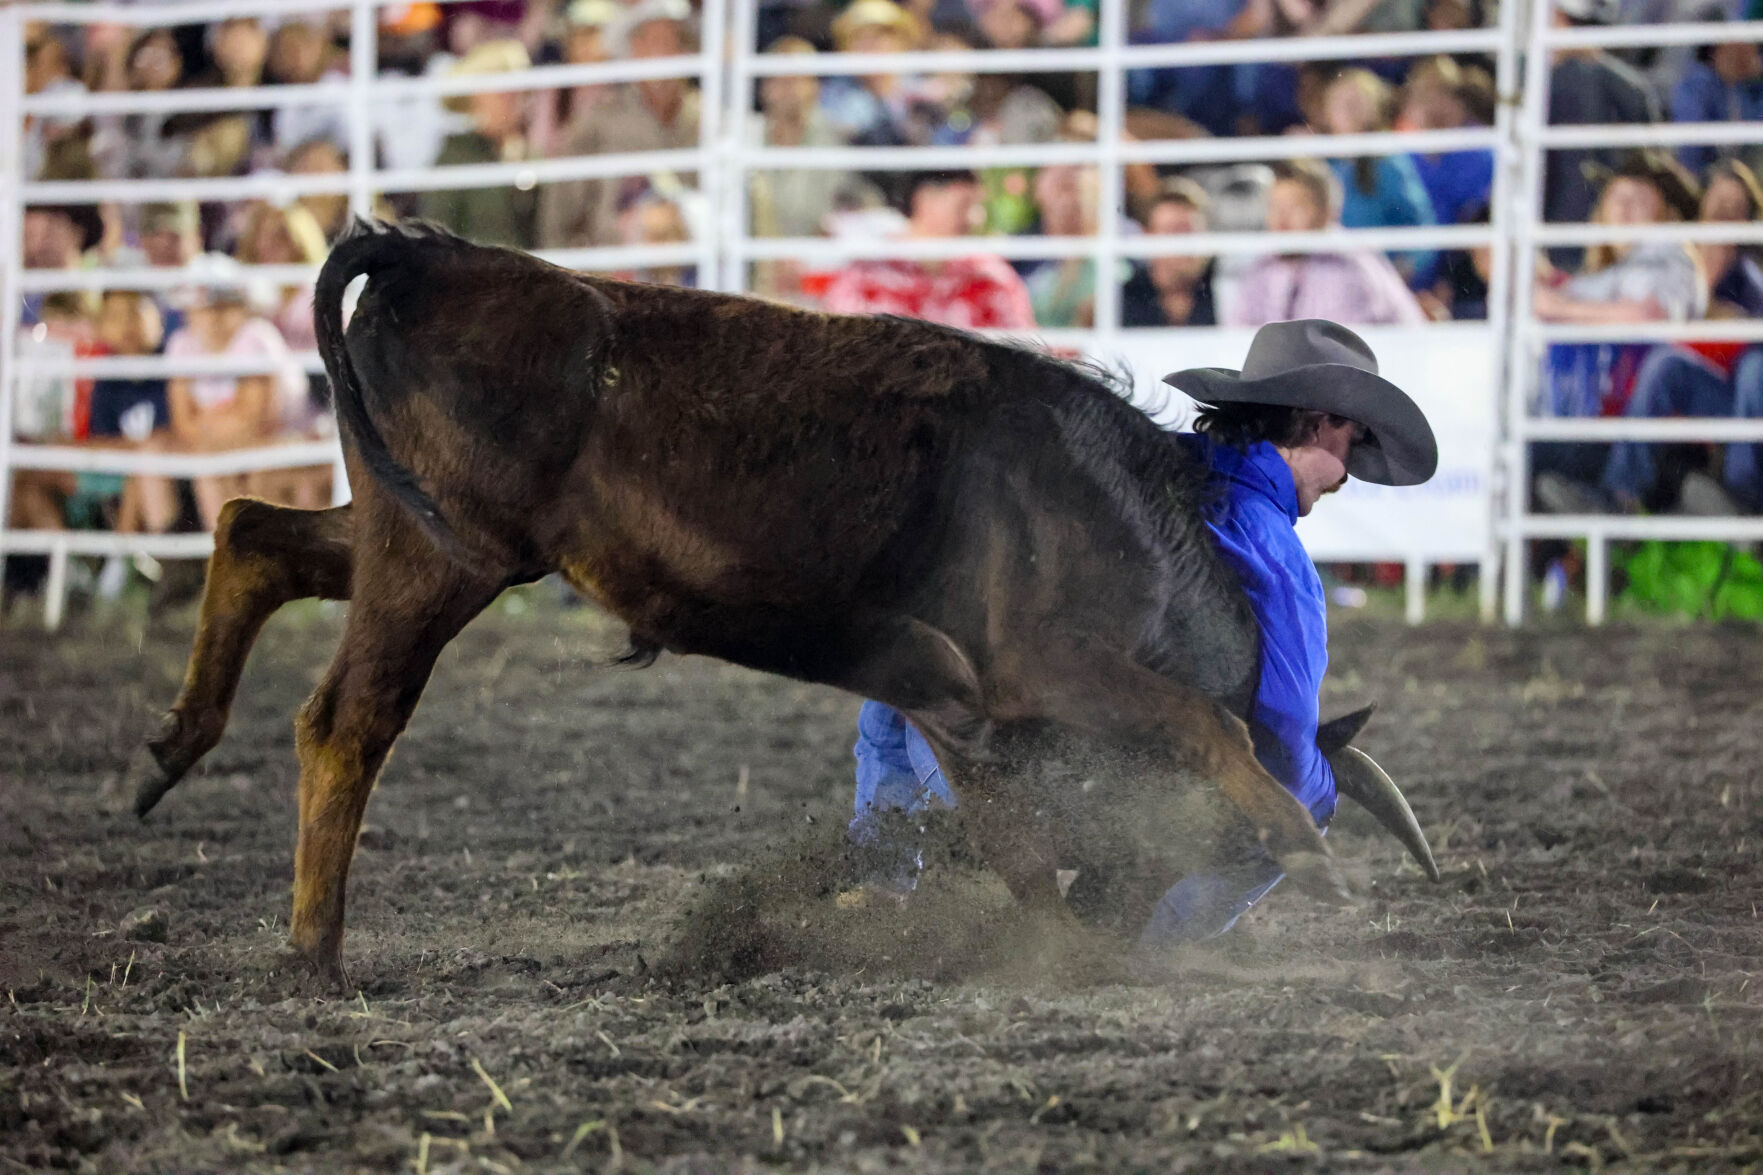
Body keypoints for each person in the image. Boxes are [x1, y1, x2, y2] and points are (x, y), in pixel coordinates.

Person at [850, 319, 1439, 945]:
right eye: (1351, 440)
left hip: (979, 774)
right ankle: (1141, 949)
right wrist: (1322, 778)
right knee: (1299, 799)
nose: (1348, 470)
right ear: (1319, 423)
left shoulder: (1131, 477)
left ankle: (880, 889)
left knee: (920, 669)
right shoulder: (1270, 553)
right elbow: (1284, 735)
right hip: (1103, 810)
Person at [538, 0, 701, 249]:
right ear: (633, 50)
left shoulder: (709, 119)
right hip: (617, 271)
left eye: (673, 41)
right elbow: (559, 215)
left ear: (686, 50)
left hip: (695, 271)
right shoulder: (599, 122)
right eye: (652, 41)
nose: (663, 53)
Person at [820, 169, 1036, 330]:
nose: (974, 218)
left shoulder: (990, 276)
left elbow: (1026, 343)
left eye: (977, 206)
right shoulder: (868, 273)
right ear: (925, 200)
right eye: (963, 204)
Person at [1225, 159, 1427, 327]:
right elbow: (1239, 336)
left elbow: (1336, 362)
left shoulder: (1348, 267)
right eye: (1274, 206)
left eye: (1295, 207)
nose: (1281, 218)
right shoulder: (1262, 267)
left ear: (1326, 213)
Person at [419, 40, 539, 249]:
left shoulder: (530, 156)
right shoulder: (455, 158)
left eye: (521, 93)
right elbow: (436, 237)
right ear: (477, 99)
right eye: (503, 94)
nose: (515, 101)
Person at [1121, 176, 1218, 327]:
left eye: (1191, 231)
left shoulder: (1223, 290)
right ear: (1148, 236)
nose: (1184, 243)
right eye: (1174, 231)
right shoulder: (1124, 298)